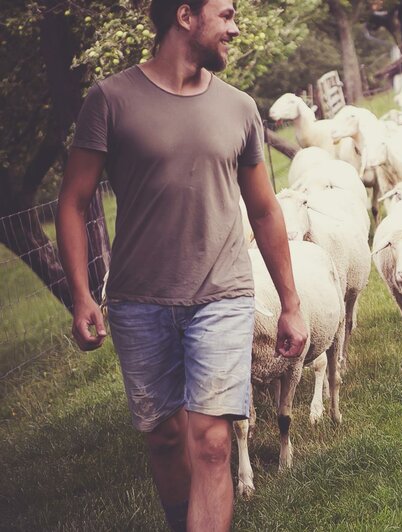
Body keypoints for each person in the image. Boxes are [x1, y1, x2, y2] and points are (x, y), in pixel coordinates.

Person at [56, 1, 309, 530]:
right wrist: (81, 296)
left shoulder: (239, 108)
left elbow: (264, 210)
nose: (236, 28)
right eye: (227, 14)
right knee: (168, 439)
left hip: (223, 296)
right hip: (139, 303)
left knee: (214, 443)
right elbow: (74, 202)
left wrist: (291, 303)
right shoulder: (109, 100)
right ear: (186, 17)